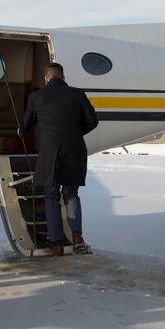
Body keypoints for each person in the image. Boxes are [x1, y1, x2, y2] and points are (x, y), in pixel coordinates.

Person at [20, 63, 99, 256]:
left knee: (51, 196)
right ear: (63, 77)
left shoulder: (37, 96)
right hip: (74, 151)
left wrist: (21, 131)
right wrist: (74, 133)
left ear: (46, 78)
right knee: (71, 194)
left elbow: (26, 125)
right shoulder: (78, 94)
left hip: (50, 153)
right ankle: (77, 235)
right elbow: (93, 121)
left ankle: (56, 243)